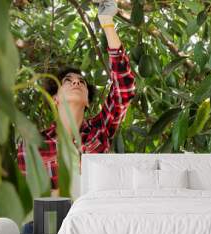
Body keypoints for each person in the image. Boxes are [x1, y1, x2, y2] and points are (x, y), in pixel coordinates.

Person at [17, 0, 136, 196]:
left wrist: (107, 23)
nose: (76, 83)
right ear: (55, 98)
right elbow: (30, 197)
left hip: (96, 217)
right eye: (68, 81)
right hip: (53, 220)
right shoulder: (33, 142)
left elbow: (124, 90)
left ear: (88, 100)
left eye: (81, 82)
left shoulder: (100, 130)